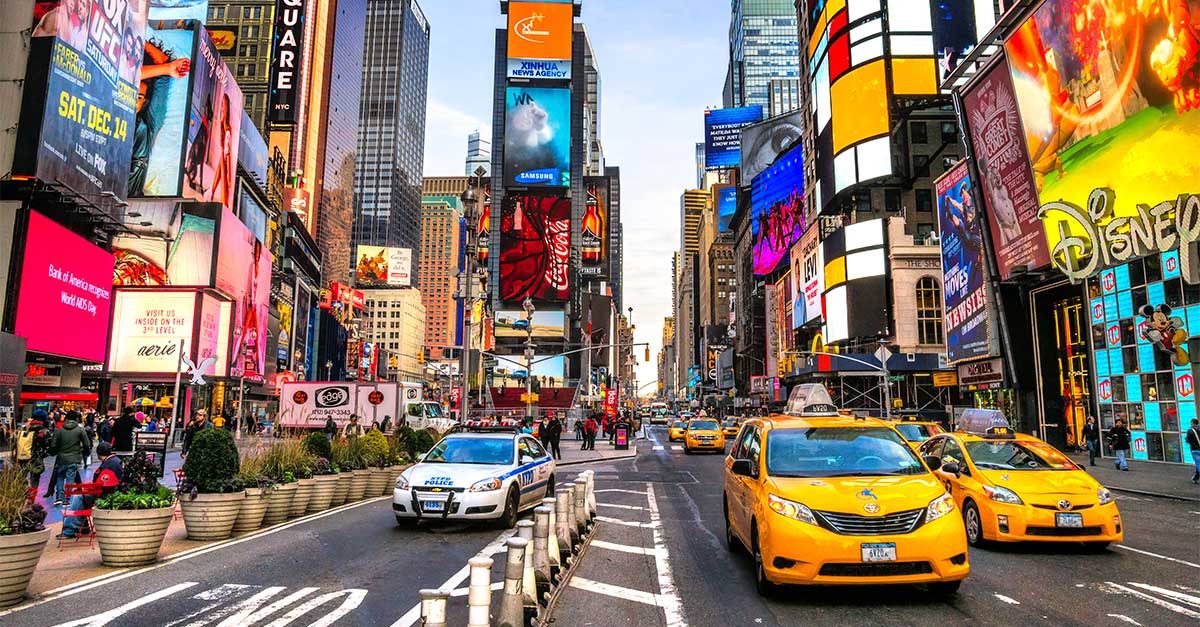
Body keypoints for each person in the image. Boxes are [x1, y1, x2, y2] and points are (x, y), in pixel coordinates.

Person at [59, 442, 123, 539]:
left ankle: (70, 530)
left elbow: (102, 484)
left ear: (98, 453)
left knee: (79, 497)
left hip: (105, 494)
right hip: (111, 492)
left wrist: (88, 488)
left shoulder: (109, 465)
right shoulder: (115, 461)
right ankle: (83, 528)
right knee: (83, 497)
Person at [49, 410, 91, 507]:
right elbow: (86, 444)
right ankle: (66, 500)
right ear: (76, 419)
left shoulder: (59, 430)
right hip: (74, 458)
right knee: (70, 478)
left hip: (61, 458)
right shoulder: (80, 430)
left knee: (60, 477)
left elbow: (53, 445)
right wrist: (86, 453)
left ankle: (59, 497)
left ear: (66, 418)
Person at [15, 411, 52, 489]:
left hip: (23, 456)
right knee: (34, 479)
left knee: (21, 477)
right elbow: (49, 446)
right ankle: (31, 499)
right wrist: (43, 454)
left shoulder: (24, 428)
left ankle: (23, 494)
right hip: (36, 459)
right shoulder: (44, 431)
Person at [1187, 419, 1200, 485]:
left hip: (1195, 450)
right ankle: (1195, 478)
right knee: (1198, 464)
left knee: (1199, 464)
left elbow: (1188, 440)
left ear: (1192, 423)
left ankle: (1195, 478)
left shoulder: (1190, 431)